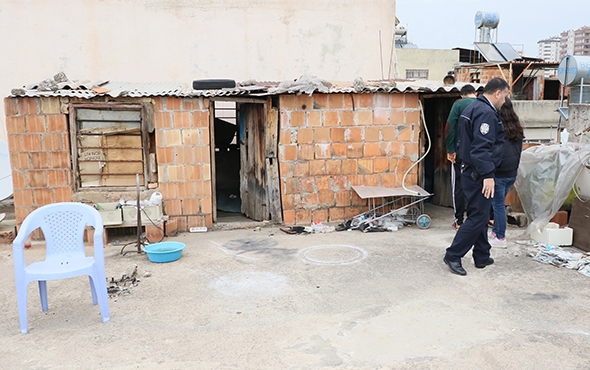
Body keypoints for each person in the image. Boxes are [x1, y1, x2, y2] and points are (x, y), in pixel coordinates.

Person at [443, 77, 510, 276]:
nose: (505, 101)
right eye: (505, 96)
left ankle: (481, 255)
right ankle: (453, 254)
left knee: (478, 213)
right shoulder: (485, 113)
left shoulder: (472, 109)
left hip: (469, 170)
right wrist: (488, 175)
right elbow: (481, 148)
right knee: (479, 216)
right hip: (478, 173)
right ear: (497, 93)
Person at [489, 98, 524, 248]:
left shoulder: (498, 127)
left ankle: (501, 237)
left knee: (497, 205)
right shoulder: (517, 127)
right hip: (511, 173)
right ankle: (496, 231)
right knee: (498, 204)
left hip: (500, 173)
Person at [445, 84, 477, 230]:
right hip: (479, 152)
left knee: (459, 184)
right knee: (477, 184)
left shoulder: (458, 104)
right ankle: (476, 220)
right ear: (475, 93)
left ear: (462, 95)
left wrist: (450, 150)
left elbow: (449, 127)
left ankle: (459, 221)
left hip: (461, 151)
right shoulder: (482, 104)